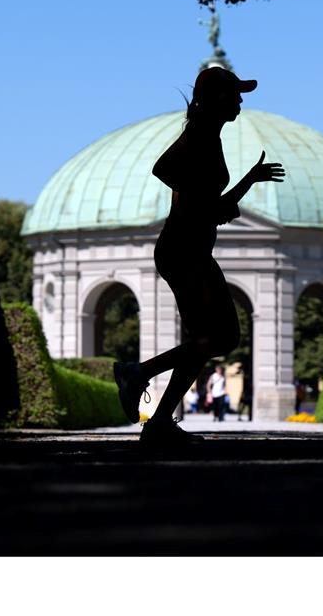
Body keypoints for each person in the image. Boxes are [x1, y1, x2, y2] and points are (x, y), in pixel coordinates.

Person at [113, 66, 285, 445]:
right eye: (234, 95)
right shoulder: (202, 134)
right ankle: (137, 373)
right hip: (184, 250)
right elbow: (170, 174)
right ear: (216, 99)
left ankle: (157, 421)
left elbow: (207, 202)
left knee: (209, 339)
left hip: (187, 249)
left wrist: (244, 183)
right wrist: (217, 195)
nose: (240, 101)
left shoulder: (208, 135)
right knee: (222, 337)